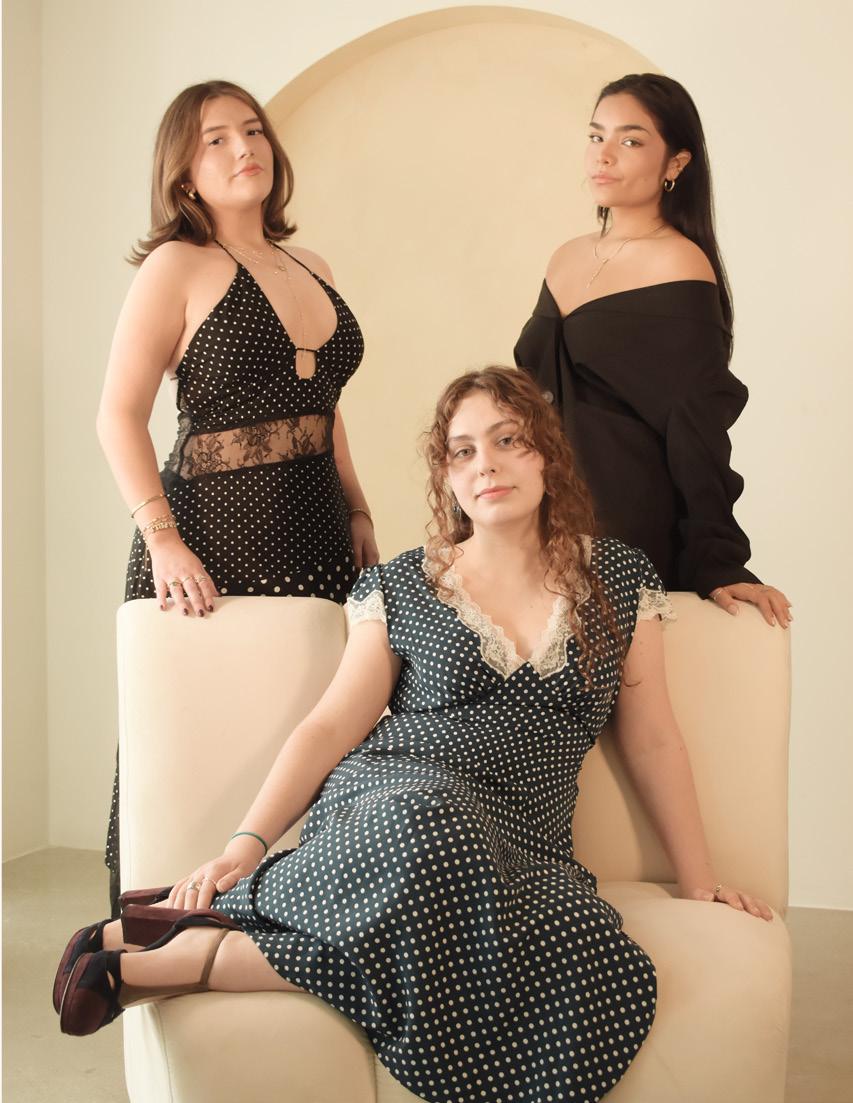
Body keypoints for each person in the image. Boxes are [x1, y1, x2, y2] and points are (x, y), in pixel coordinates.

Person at [57, 367, 771, 1103]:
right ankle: (189, 959)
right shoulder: (401, 585)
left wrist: (697, 878)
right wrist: (247, 843)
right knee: (432, 825)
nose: (485, 464)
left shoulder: (620, 578)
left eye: (508, 440)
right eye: (463, 451)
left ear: (547, 455)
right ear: (448, 478)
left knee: (591, 966)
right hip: (395, 801)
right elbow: (331, 725)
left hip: (522, 840)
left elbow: (653, 740)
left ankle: (182, 947)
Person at [97, 80, 377, 914]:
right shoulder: (175, 266)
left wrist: (358, 507)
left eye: (251, 131)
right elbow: (117, 415)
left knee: (310, 722)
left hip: (317, 526)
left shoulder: (313, 266)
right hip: (211, 535)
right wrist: (162, 539)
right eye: (214, 139)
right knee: (207, 733)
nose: (242, 148)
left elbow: (324, 409)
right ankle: (170, 923)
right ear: (183, 172)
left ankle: (291, 918)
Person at [514, 73, 790, 626]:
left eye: (631, 140)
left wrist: (718, 560)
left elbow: (695, 423)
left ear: (676, 164)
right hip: (538, 517)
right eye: (596, 136)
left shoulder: (679, 263)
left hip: (623, 524)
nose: (604, 154)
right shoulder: (566, 256)